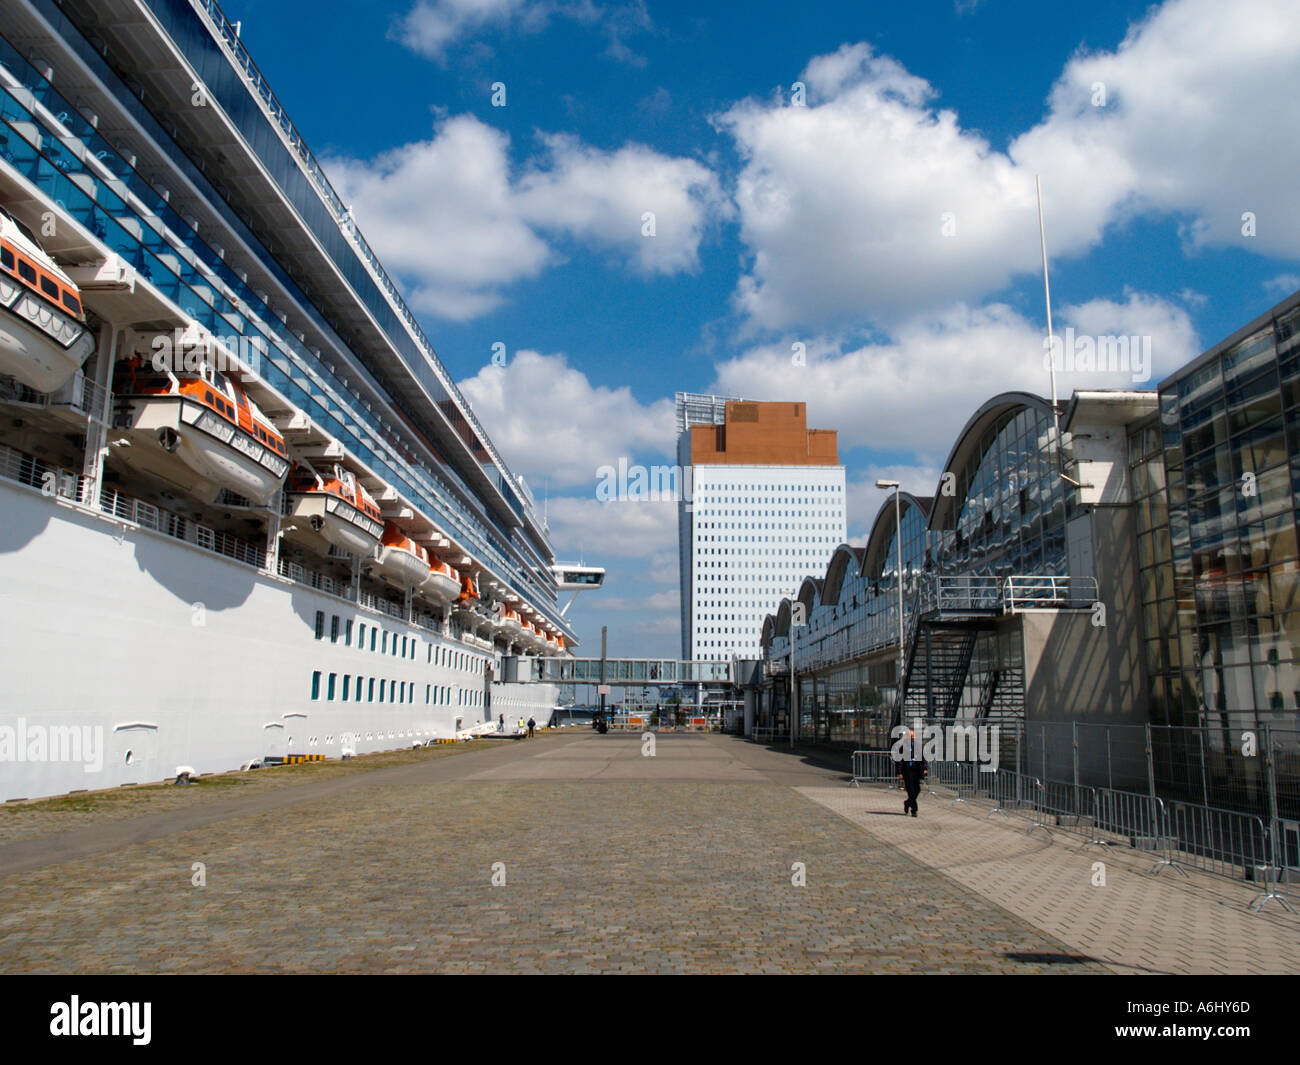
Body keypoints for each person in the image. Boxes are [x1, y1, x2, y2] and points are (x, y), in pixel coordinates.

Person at [898, 727, 927, 818]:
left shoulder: (918, 746)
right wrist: (899, 772)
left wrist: (925, 768)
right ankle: (914, 810)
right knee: (910, 790)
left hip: (916, 770)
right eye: (911, 735)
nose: (913, 737)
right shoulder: (903, 747)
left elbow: (923, 758)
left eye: (913, 735)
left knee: (917, 789)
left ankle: (907, 802)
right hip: (907, 770)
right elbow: (899, 760)